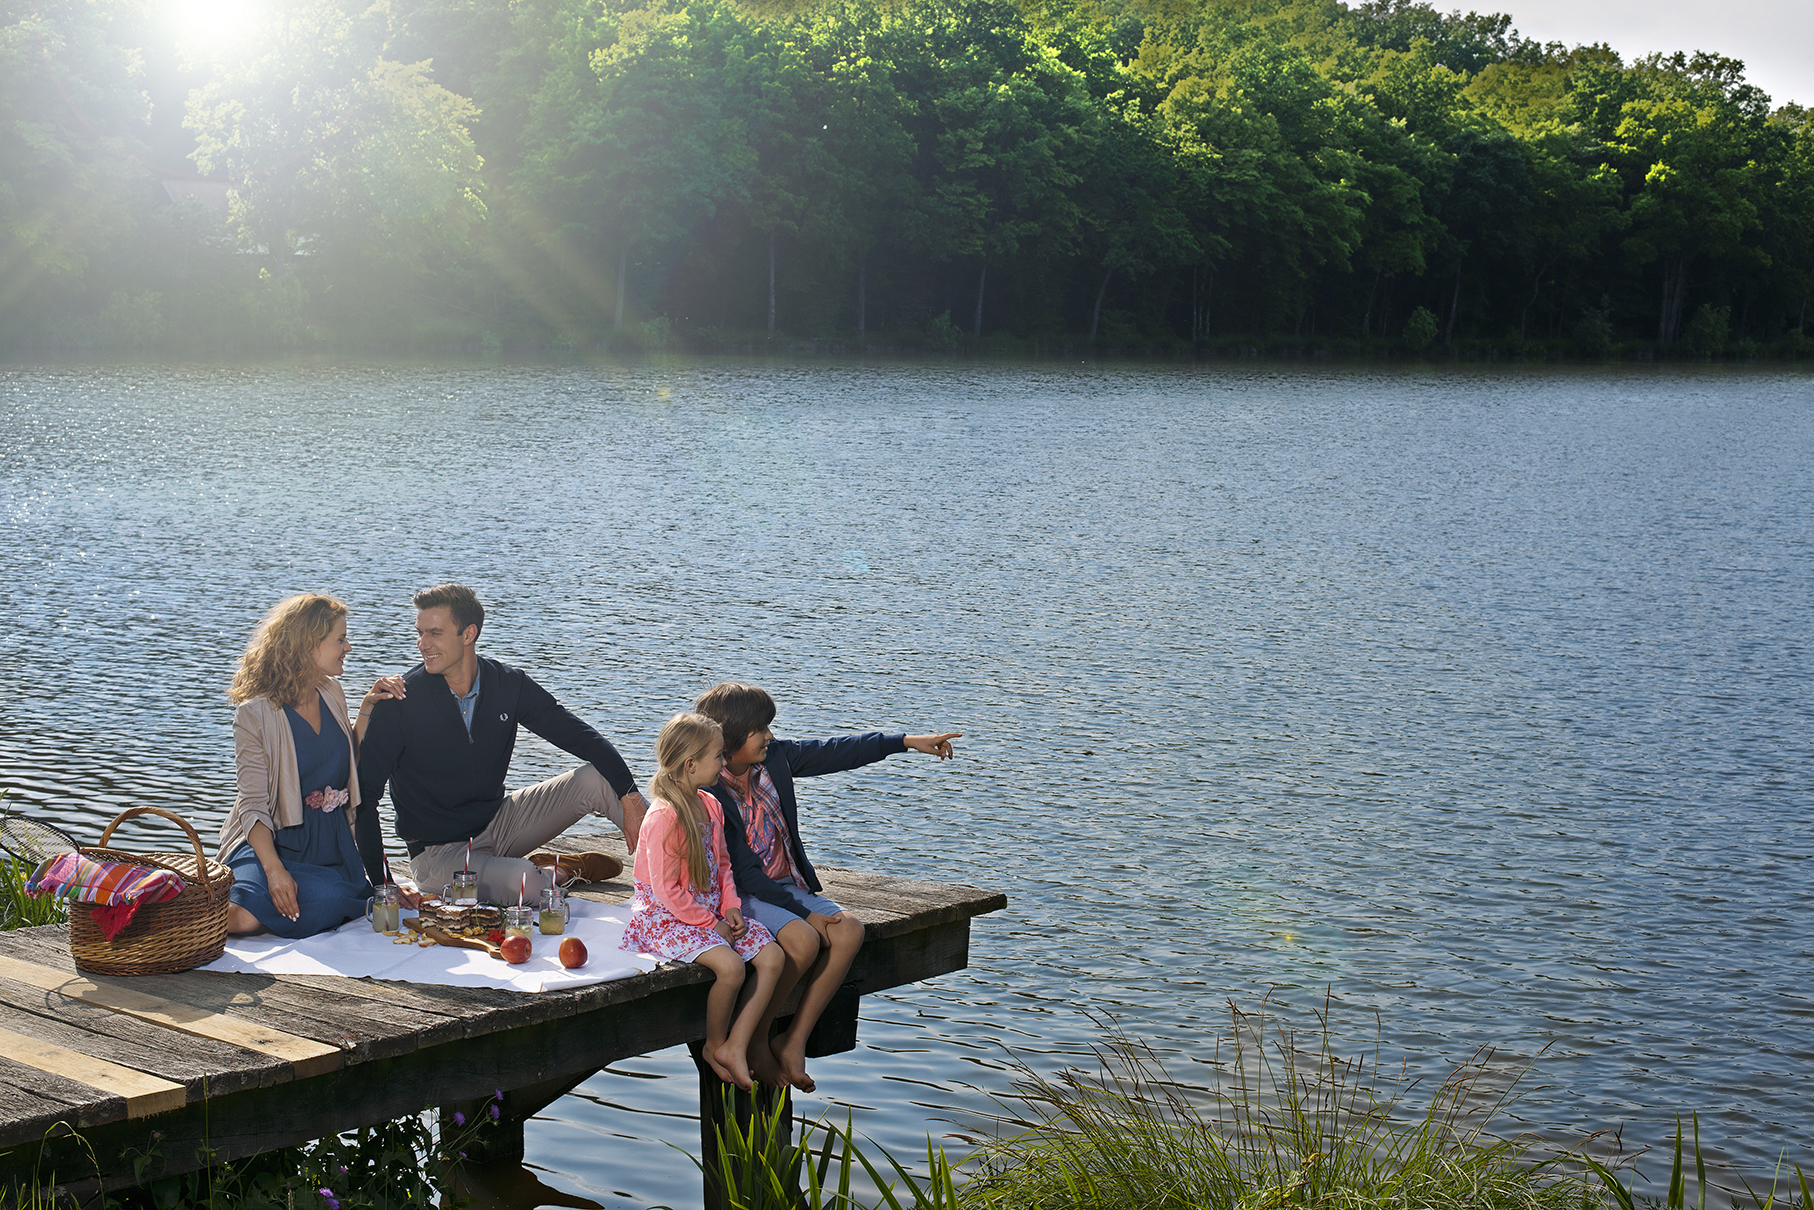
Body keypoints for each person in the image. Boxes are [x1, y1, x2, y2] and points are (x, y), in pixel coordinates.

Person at [694, 682, 960, 1092]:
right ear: (729, 741)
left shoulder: (774, 760)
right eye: (760, 729)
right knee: (804, 941)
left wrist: (906, 741)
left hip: (782, 885)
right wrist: (806, 914)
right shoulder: (710, 789)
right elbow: (744, 875)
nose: (769, 736)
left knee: (849, 929)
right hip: (741, 895)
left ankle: (792, 1040)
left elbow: (835, 750)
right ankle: (757, 1040)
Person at [354, 584, 649, 905]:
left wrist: (630, 796)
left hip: (498, 824)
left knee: (599, 779)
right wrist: (383, 883)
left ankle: (679, 870)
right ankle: (552, 871)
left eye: (434, 633)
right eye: (420, 632)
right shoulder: (399, 703)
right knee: (529, 885)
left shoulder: (507, 684)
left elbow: (581, 737)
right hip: (438, 856)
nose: (422, 644)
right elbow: (364, 800)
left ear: (468, 634)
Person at [220, 594, 404, 938]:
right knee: (242, 918)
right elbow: (252, 806)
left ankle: (295, 901)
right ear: (308, 644)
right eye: (340, 639)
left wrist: (368, 706)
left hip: (328, 845)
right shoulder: (254, 714)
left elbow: (345, 762)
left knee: (332, 898)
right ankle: (165, 911)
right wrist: (274, 872)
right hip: (270, 844)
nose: (347, 647)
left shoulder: (332, 691)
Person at [619, 713, 783, 1091]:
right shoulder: (664, 816)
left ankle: (737, 1043)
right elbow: (666, 891)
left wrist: (730, 908)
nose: (723, 763)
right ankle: (714, 1044)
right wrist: (712, 926)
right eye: (716, 757)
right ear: (690, 764)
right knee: (730, 968)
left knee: (772, 957)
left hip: (710, 909)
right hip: (667, 915)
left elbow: (723, 865)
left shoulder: (708, 803)